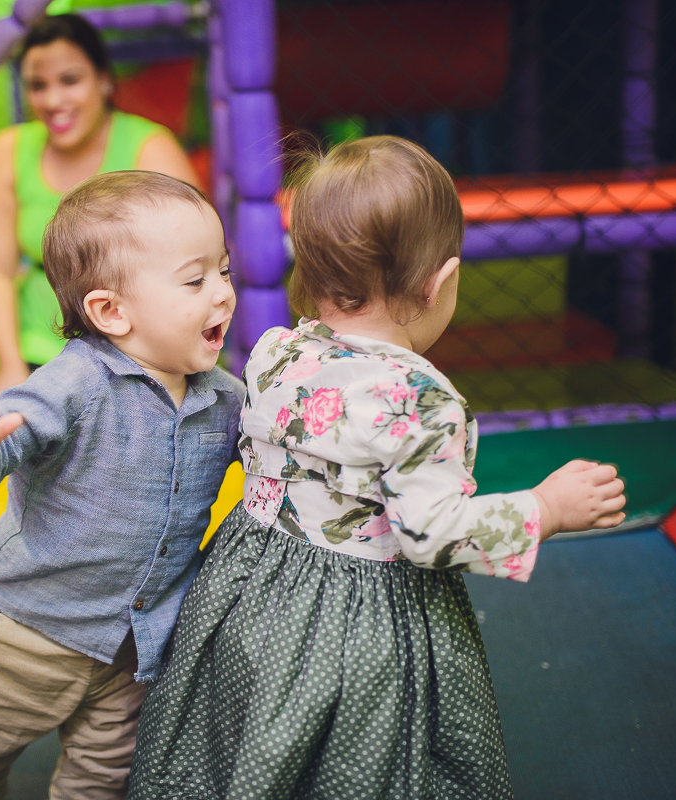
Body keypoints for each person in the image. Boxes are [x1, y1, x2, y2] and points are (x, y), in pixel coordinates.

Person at [127, 137, 629, 799]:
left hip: (250, 587)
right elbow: (432, 533)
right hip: (358, 616)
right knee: (365, 755)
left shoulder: (277, 352)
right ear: (439, 283)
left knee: (253, 726)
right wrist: (547, 509)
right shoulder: (419, 402)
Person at [0, 171, 242, 800]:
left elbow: (276, 447)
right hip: (22, 636)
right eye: (195, 280)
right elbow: (8, 437)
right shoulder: (74, 382)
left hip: (134, 644)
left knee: (106, 774)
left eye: (225, 271)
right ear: (111, 311)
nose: (223, 294)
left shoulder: (226, 398)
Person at [0, 13, 201, 396]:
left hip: (139, 359)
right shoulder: (7, 151)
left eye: (70, 80)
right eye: (37, 85)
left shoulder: (151, 149)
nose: (53, 100)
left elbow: (194, 268)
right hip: (38, 356)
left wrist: (170, 365)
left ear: (104, 80)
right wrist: (10, 365)